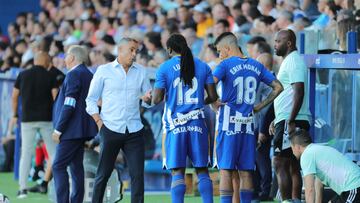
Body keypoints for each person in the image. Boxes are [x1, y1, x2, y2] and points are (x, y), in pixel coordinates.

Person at [212, 32, 283, 203]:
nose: (219, 55)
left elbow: (208, 84)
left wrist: (213, 101)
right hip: (248, 126)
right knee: (246, 171)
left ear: (228, 49)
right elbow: (278, 87)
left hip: (229, 126)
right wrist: (259, 106)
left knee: (226, 170)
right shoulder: (256, 65)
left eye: (220, 51)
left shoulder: (225, 65)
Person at [152, 33, 218, 203]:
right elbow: (213, 96)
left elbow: (157, 99)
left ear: (169, 50)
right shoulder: (203, 66)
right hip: (197, 123)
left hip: (175, 125)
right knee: (202, 170)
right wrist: (197, 103)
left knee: (177, 171)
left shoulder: (164, 68)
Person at [86, 37, 152, 203]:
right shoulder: (104, 70)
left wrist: (147, 99)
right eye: (131, 50)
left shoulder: (141, 71)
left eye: (136, 50)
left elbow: (147, 100)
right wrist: (100, 123)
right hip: (110, 129)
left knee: (137, 175)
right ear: (120, 50)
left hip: (135, 130)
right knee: (103, 174)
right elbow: (90, 100)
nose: (134, 53)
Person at [269, 29, 312, 203]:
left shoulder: (294, 61)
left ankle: (287, 201)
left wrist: (290, 120)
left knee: (279, 162)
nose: (275, 44)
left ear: (289, 43)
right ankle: (294, 200)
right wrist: (277, 119)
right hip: (287, 118)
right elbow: (287, 95)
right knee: (293, 165)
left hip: (291, 119)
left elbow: (298, 92)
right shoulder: (289, 61)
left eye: (278, 41)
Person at [52, 45, 97, 203]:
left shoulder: (74, 74)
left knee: (58, 166)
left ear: (72, 57)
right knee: (76, 167)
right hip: (82, 130)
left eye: (66, 56)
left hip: (70, 131)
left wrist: (59, 129)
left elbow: (69, 104)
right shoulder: (88, 74)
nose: (64, 59)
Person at [12, 51, 58, 199]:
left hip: (27, 119)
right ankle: (57, 185)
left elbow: (14, 96)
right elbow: (55, 97)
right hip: (46, 119)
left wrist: (15, 114)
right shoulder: (50, 76)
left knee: (26, 153)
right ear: (45, 61)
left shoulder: (23, 75)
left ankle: (22, 189)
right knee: (54, 153)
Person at [289, 129, 360, 203]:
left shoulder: (306, 155)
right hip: (350, 187)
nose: (292, 152)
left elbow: (309, 189)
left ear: (297, 147)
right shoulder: (316, 150)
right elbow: (319, 183)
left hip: (354, 186)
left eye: (292, 148)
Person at [253, 53, 276, 201]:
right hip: (261, 126)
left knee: (262, 159)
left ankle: (264, 191)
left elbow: (268, 108)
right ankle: (258, 191)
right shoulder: (267, 80)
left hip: (264, 127)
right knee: (258, 158)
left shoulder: (269, 82)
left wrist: (262, 130)